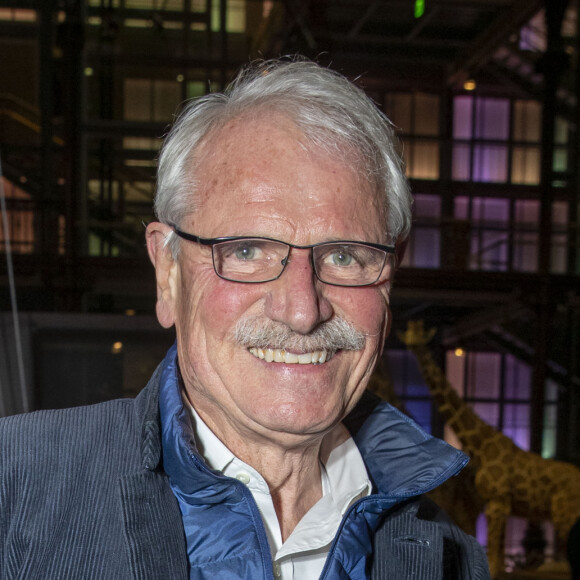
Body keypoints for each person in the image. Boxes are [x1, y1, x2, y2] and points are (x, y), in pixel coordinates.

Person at [0, 57, 490, 579]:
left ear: (391, 273)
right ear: (167, 272)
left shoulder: (448, 557)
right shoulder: (15, 488)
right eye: (247, 251)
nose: (302, 311)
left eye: (344, 256)